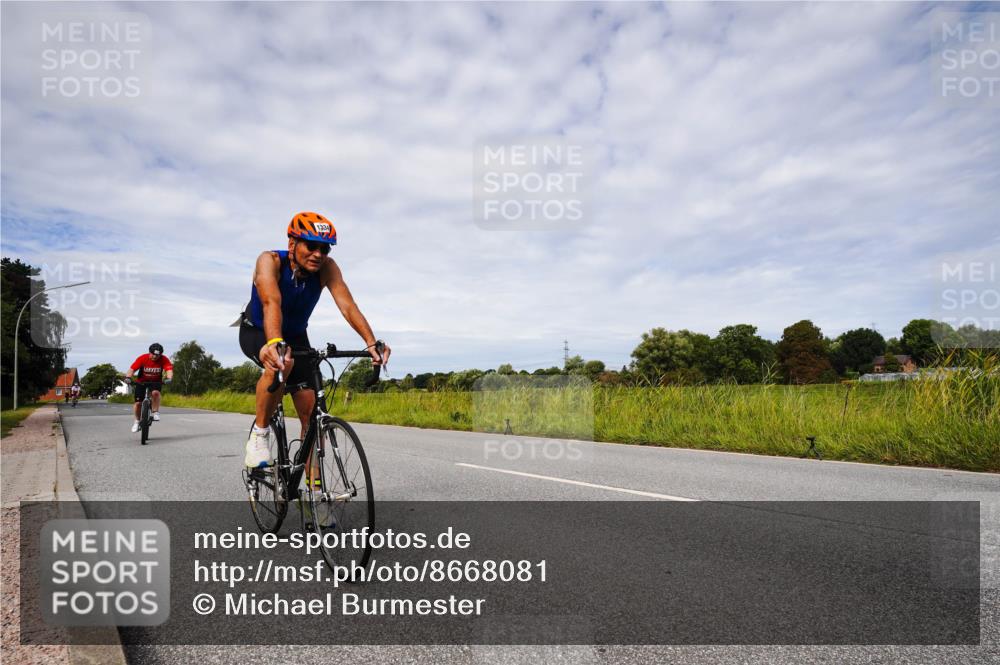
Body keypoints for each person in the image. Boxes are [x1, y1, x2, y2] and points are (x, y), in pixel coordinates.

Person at [239, 211, 390, 469]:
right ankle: (260, 435)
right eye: (311, 246)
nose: (319, 254)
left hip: (297, 336)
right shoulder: (271, 261)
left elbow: (348, 306)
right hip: (259, 330)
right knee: (282, 362)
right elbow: (270, 301)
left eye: (325, 249)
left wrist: (371, 342)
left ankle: (316, 495)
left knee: (312, 416)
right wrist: (274, 341)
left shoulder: (327, 269)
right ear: (292, 244)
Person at [126, 343, 174, 432]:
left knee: (155, 393)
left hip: (155, 382)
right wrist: (128, 377)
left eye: (157, 355)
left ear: (160, 355)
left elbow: (169, 369)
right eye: (153, 354)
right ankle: (136, 422)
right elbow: (132, 369)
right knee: (138, 404)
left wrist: (169, 378)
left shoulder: (164, 359)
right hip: (141, 382)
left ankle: (155, 412)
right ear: (149, 352)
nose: (155, 357)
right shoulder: (142, 358)